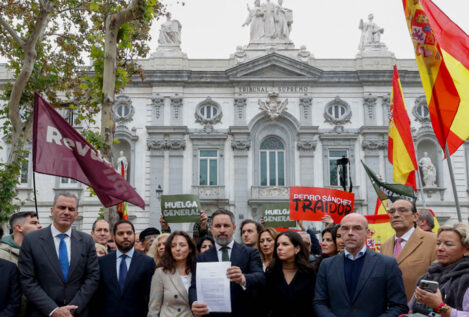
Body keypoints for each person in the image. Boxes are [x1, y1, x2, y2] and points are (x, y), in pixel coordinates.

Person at [18, 192, 100, 317]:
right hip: (42, 312)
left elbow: (93, 277)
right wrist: (53, 310)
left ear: (76, 214)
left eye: (71, 209)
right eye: (62, 207)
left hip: (76, 313)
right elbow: (27, 280)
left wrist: (71, 310)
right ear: (52, 210)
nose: (66, 212)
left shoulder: (87, 241)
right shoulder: (31, 240)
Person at [314, 213, 408, 317]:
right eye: (345, 228)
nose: (350, 233)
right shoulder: (326, 265)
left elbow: (399, 306)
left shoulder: (387, 264)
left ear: (367, 233)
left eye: (357, 228)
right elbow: (319, 302)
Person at [189, 209, 265, 317]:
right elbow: (194, 287)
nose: (222, 230)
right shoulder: (201, 258)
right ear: (211, 229)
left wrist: (243, 278)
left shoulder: (250, 253)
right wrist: (194, 302)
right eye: (217, 226)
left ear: (233, 228)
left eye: (226, 225)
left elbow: (260, 277)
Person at [94, 220, 155, 317]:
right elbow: (98, 296)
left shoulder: (147, 262)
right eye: (121, 233)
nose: (125, 236)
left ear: (134, 235)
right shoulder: (103, 262)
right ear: (113, 237)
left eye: (129, 233)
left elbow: (149, 296)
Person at [381, 199, 437, 301]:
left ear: (415, 217)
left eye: (402, 210)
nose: (396, 215)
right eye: (392, 212)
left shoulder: (433, 241)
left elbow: (439, 278)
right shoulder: (385, 246)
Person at [410, 223, 469, 316]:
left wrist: (440, 306)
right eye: (438, 243)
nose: (440, 248)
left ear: (467, 250)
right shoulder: (426, 277)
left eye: (448, 244)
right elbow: (410, 308)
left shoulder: (466, 280)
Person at [263, 230, 316, 317]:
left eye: (285, 244)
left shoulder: (309, 274)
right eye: (278, 245)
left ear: (297, 248)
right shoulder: (271, 273)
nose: (279, 248)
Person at [148, 231, 196, 317]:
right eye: (173, 246)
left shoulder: (197, 271)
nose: (177, 249)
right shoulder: (161, 273)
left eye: (182, 245)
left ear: (190, 249)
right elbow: (153, 308)